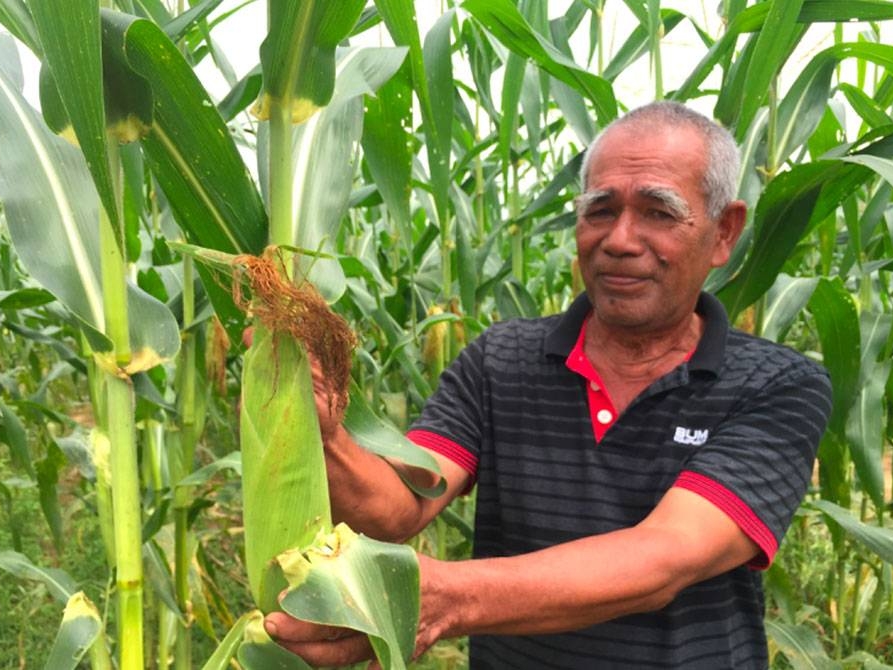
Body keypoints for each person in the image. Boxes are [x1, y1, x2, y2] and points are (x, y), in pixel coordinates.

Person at [264, 100, 833, 668]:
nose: (620, 240)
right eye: (600, 210)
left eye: (659, 213)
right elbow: (400, 506)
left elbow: (664, 558)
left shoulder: (778, 385)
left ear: (723, 233)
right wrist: (327, 435)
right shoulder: (501, 360)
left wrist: (435, 597)